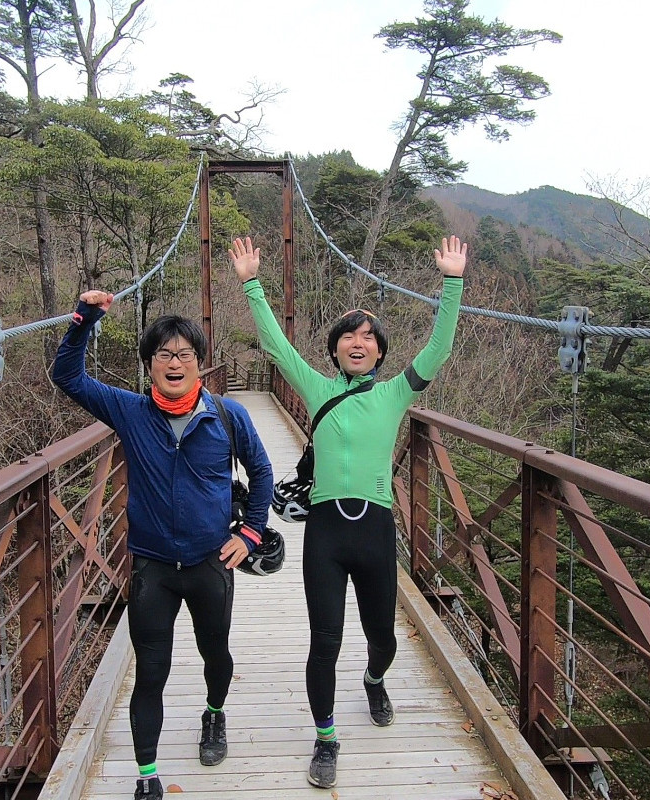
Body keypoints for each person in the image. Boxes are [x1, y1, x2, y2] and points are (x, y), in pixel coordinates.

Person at [229, 235, 467, 789]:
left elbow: (438, 351)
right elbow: (276, 348)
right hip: (328, 532)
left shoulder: (394, 395)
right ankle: (326, 737)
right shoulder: (316, 390)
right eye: (347, 337)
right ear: (335, 349)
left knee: (382, 635)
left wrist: (452, 283)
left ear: (380, 353)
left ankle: (374, 678)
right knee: (325, 640)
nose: (357, 343)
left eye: (368, 338)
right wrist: (251, 284)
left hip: (377, 529)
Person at [52, 290, 273, 800]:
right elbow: (67, 378)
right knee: (151, 670)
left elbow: (261, 473)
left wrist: (249, 533)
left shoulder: (227, 414)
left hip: (210, 563)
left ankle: (214, 714)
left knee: (215, 653)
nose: (175, 363)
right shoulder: (130, 411)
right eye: (164, 355)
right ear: (150, 363)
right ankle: (147, 775)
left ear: (199, 364)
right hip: (153, 567)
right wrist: (84, 319)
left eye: (185, 355)